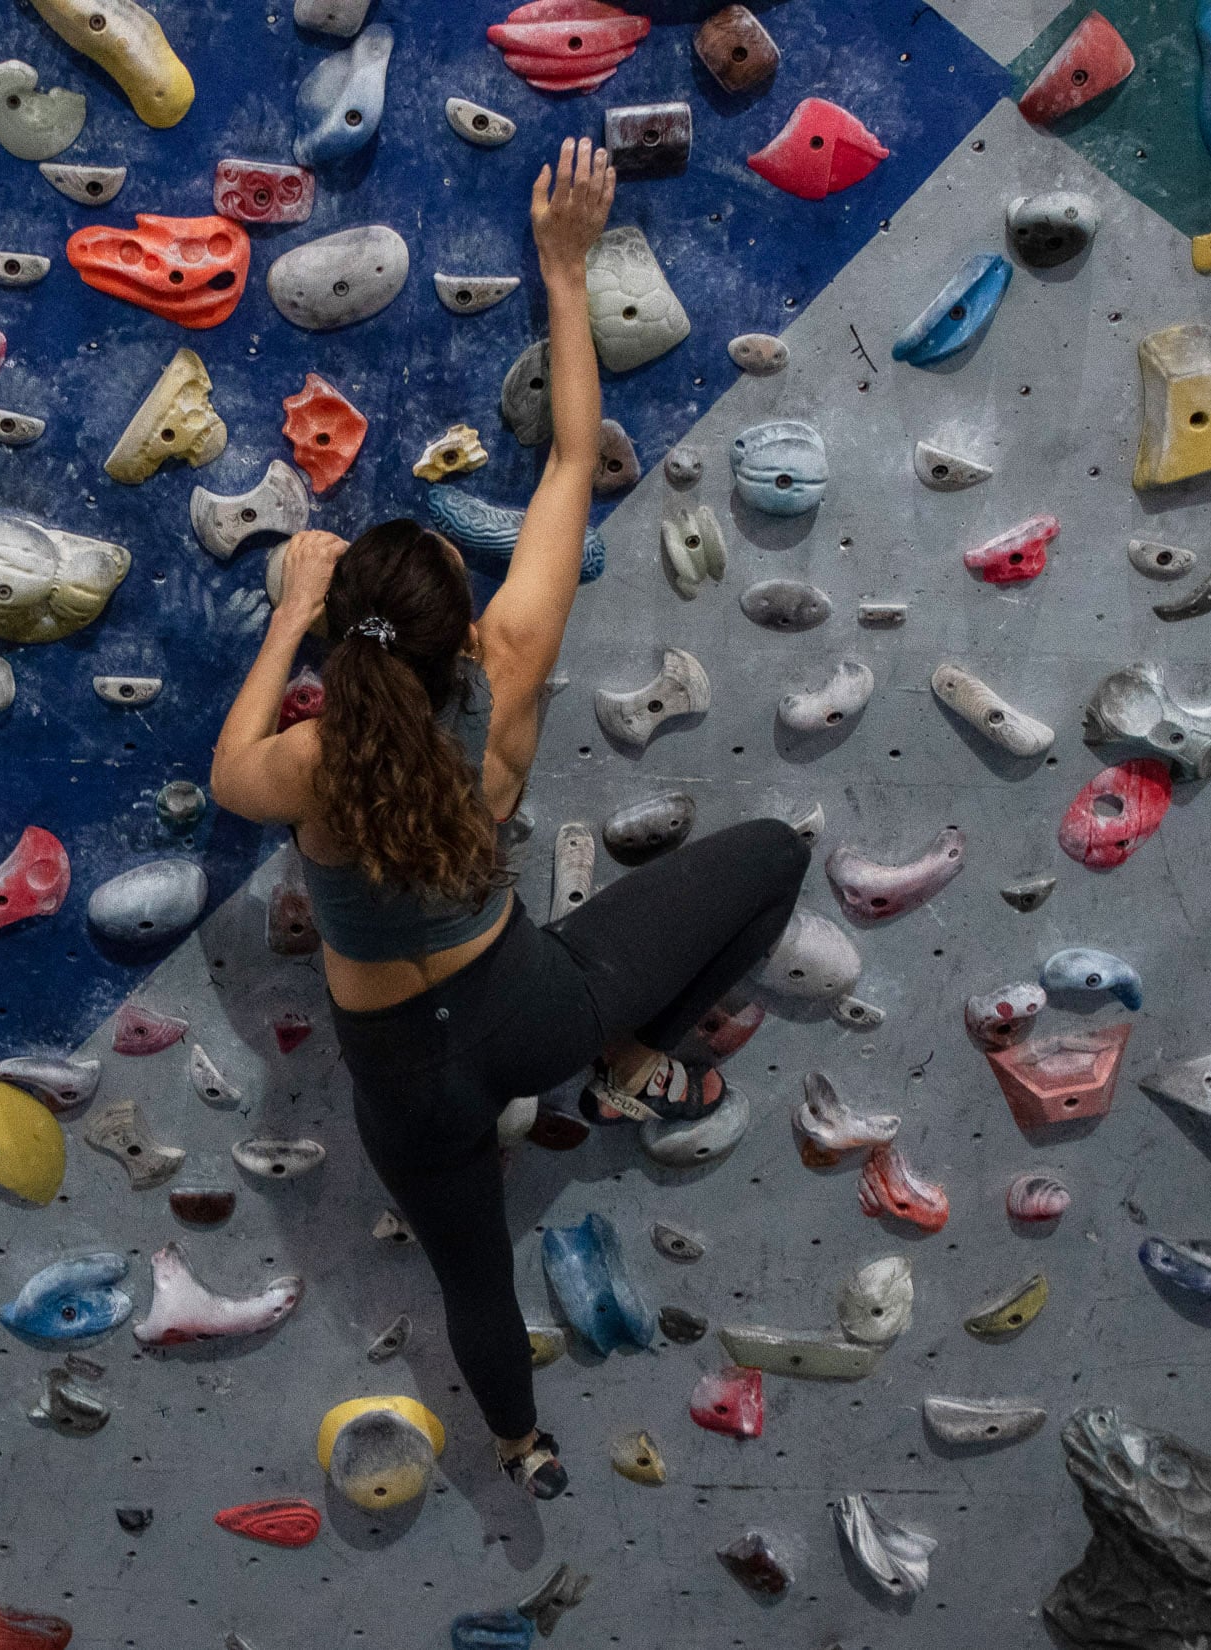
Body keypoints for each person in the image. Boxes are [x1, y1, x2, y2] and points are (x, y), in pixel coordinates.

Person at [210, 139, 810, 1500]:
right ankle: (625, 1066)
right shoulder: (504, 670)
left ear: (346, 667)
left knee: (472, 1271)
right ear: (447, 645)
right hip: (528, 1006)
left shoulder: (304, 765)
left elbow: (227, 762)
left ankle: (521, 1448)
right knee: (774, 859)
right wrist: (565, 266)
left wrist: (293, 610)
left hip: (402, 1082)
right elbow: (567, 470)